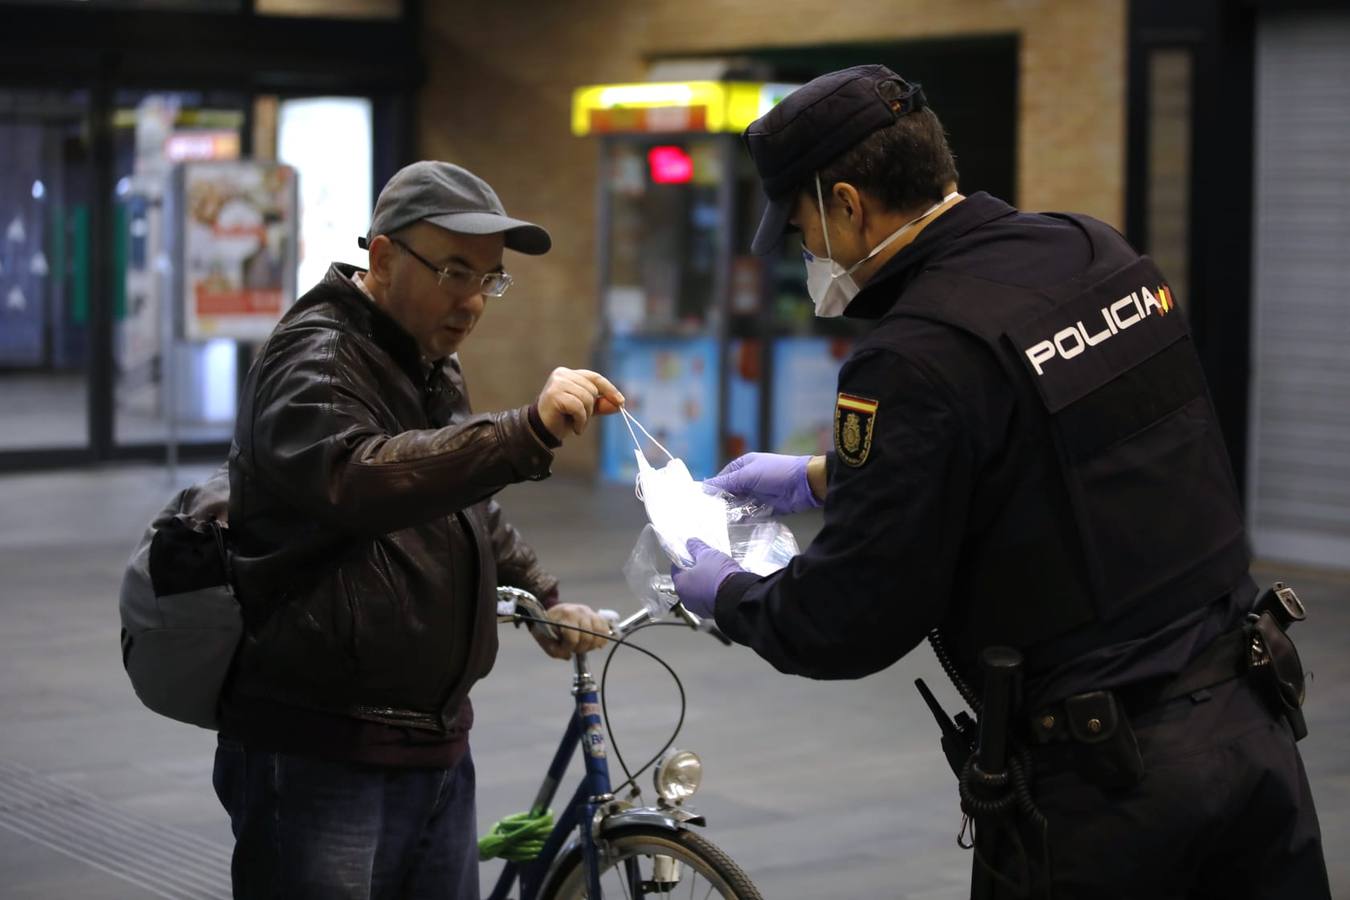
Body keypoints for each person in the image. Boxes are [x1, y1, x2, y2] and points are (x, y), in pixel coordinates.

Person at [671, 65, 1330, 898]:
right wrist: (826, 477)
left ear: (846, 203)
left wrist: (727, 591)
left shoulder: (909, 357)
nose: (806, 252)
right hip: (1252, 726)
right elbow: (1058, 459)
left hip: (1109, 790)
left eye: (800, 228)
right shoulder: (1093, 249)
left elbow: (849, 618)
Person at [215, 160, 624, 900]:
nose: (472, 302)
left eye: (489, 279)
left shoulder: (427, 361)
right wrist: (521, 432)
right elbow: (359, 477)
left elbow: (460, 500)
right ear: (382, 257)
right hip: (323, 746)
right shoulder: (319, 355)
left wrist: (538, 593)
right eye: (455, 272)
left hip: (430, 742)